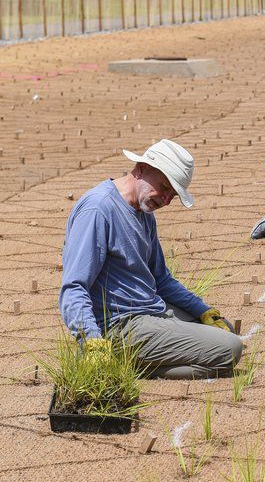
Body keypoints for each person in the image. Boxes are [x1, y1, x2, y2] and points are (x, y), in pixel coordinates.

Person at [58, 139, 243, 380]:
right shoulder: (98, 209)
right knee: (230, 348)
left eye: (173, 196)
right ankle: (118, 360)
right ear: (142, 168)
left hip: (149, 311)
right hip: (120, 325)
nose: (165, 200)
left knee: (223, 329)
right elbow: (74, 287)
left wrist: (204, 310)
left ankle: (131, 363)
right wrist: (91, 341)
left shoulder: (143, 212)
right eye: (164, 187)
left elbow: (161, 279)